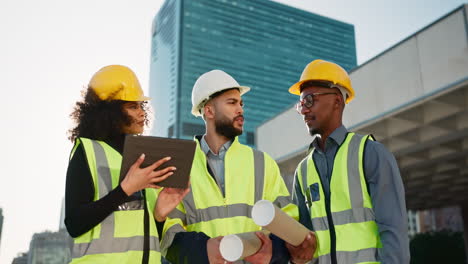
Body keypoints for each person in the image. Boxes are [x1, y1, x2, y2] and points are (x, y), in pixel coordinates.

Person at [160, 70, 298, 263]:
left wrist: (273, 253)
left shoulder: (262, 163)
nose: (240, 110)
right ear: (209, 111)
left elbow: (287, 221)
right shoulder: (180, 165)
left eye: (241, 103)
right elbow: (168, 232)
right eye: (232, 103)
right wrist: (203, 250)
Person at [286, 59, 410, 264]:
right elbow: (306, 247)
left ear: (336, 100)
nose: (304, 110)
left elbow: (393, 232)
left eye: (309, 100)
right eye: (301, 104)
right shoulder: (303, 171)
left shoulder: (370, 154)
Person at [65, 65, 189, 263]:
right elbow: (74, 223)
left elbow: (142, 239)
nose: (141, 113)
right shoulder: (87, 151)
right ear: (109, 112)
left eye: (141, 106)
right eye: (133, 106)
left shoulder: (143, 158)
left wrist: (158, 215)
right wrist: (125, 189)